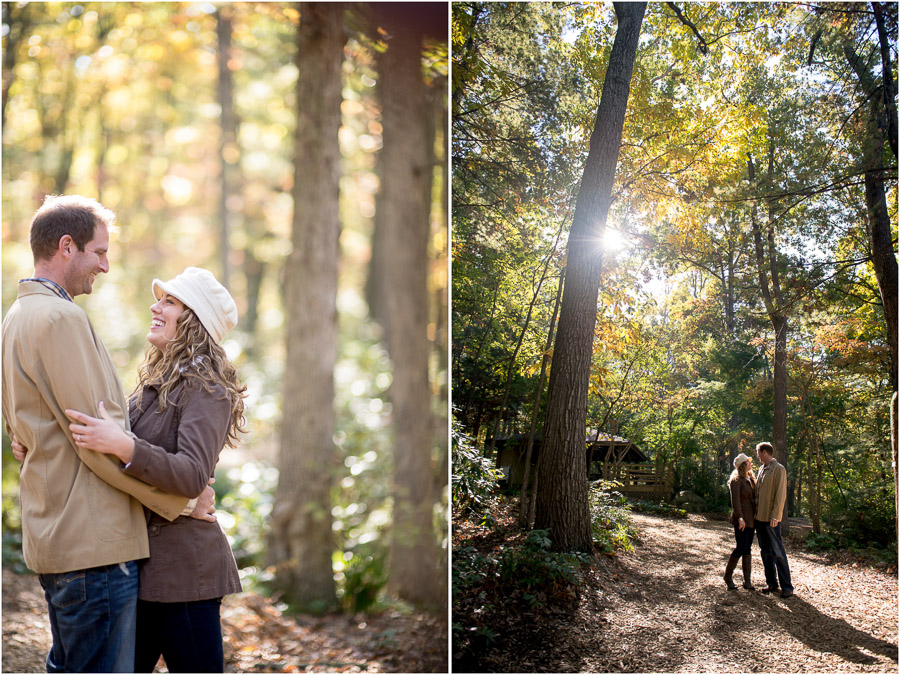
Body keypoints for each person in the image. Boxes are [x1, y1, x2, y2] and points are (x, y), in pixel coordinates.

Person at [1, 195, 214, 673]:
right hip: (93, 545)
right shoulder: (61, 319)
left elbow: (25, 426)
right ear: (66, 246)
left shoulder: (17, 317)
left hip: (57, 538)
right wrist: (180, 502)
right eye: (99, 253)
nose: (107, 266)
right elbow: (96, 444)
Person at [64, 266, 246, 672]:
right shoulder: (158, 382)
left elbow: (191, 474)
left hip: (184, 574)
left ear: (194, 319)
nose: (155, 306)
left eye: (170, 302)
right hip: (142, 568)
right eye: (160, 299)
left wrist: (124, 444)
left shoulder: (207, 387)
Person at [755, 441, 794, 599]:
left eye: (758, 452)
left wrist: (776, 516)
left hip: (771, 519)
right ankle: (771, 583)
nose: (757, 456)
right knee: (765, 552)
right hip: (759, 518)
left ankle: (787, 586)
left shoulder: (779, 469)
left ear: (764, 452)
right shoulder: (761, 469)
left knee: (778, 552)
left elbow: (780, 495)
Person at [724, 452, 757, 590]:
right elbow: (735, 501)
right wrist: (740, 518)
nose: (750, 463)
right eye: (747, 462)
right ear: (742, 465)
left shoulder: (750, 478)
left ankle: (747, 580)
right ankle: (728, 576)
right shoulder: (736, 480)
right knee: (741, 546)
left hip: (751, 519)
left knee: (748, 548)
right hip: (742, 518)